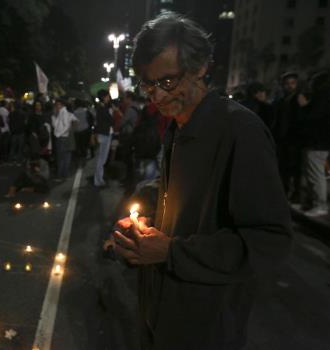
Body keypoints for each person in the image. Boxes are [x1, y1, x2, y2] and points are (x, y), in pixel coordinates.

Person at [109, 12, 292, 350]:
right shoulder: (179, 125)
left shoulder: (240, 130)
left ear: (201, 67)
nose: (157, 97)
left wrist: (172, 252)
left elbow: (270, 239)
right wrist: (142, 222)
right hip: (159, 312)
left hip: (204, 327)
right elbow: (181, 194)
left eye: (167, 82)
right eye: (148, 86)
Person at [296, 71, 330, 217]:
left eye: (311, 82)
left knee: (316, 175)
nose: (309, 85)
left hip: (317, 142)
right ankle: (313, 203)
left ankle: (320, 205)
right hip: (320, 142)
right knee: (316, 174)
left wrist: (304, 106)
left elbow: (314, 118)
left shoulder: (322, 95)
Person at [273, 72, 302, 202]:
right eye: (287, 84)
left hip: (294, 139)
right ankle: (284, 192)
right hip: (283, 139)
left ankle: (296, 194)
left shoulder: (299, 99)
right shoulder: (281, 100)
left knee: (295, 169)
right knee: (283, 168)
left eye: (293, 83)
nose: (290, 86)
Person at [93, 89, 115, 187]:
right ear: (103, 97)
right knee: (101, 159)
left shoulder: (102, 107)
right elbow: (110, 120)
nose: (108, 98)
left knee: (102, 158)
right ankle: (98, 181)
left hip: (105, 134)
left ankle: (99, 179)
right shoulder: (102, 108)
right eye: (107, 96)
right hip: (104, 134)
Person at [51, 99, 78, 179]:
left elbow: (62, 126)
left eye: (57, 105)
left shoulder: (63, 113)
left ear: (61, 105)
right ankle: (64, 174)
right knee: (66, 157)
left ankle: (61, 175)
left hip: (62, 138)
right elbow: (75, 122)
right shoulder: (66, 113)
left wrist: (59, 134)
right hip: (67, 138)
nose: (56, 107)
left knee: (61, 158)